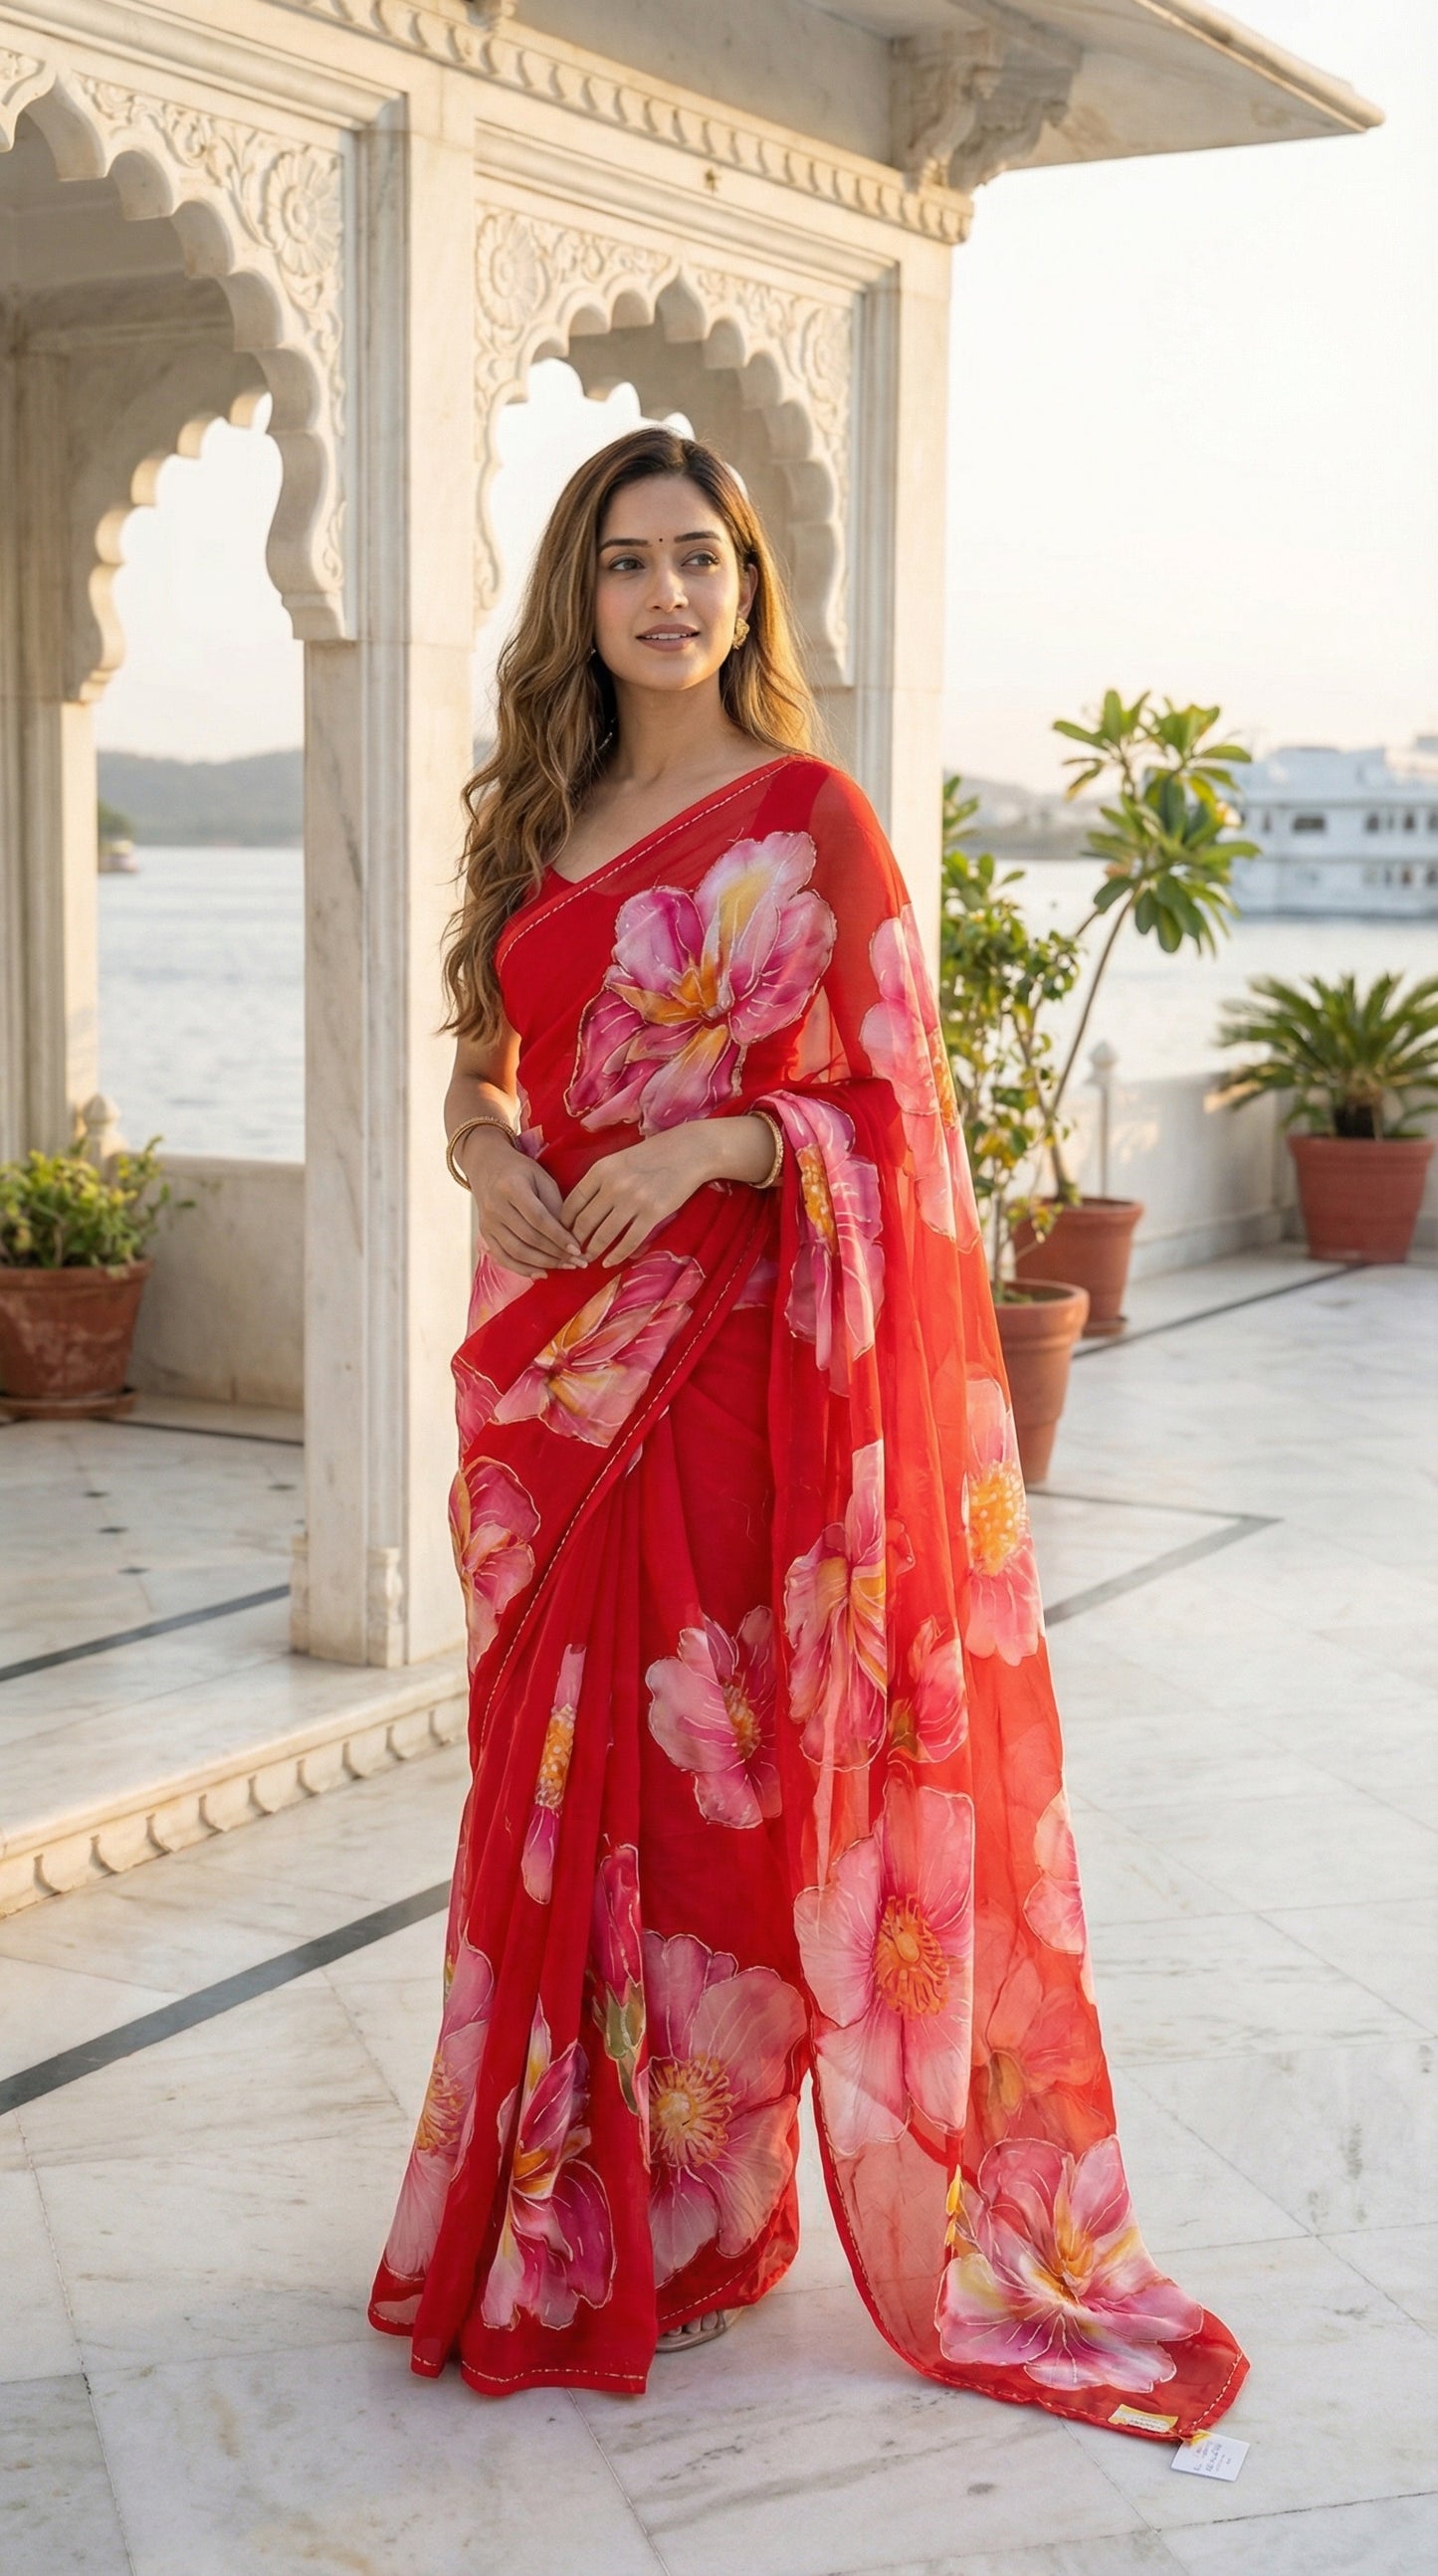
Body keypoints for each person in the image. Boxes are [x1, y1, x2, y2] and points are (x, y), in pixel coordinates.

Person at [369, 426, 1246, 2439]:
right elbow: (472, 1064)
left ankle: (694, 2205)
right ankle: (569, 2199)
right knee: (546, 1781)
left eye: (700, 557)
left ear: (751, 587)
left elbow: (897, 1115)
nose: (665, 592)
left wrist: (711, 1135)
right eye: (624, 562)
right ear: (577, 601)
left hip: (735, 1367)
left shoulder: (812, 818)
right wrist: (484, 1144)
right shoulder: (550, 814)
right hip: (560, 1370)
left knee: (710, 1802)